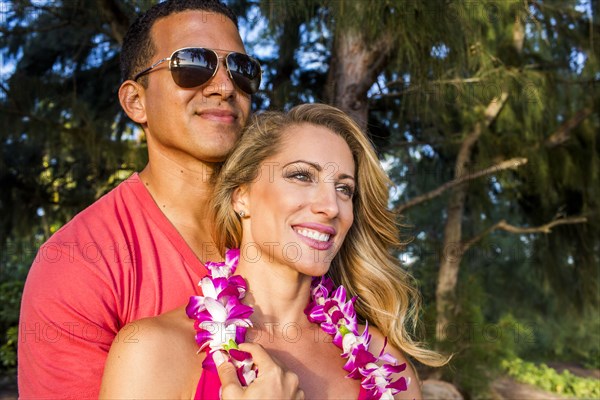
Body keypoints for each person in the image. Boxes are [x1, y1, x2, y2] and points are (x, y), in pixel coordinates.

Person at [100, 104, 448, 399]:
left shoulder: (380, 359)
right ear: (242, 195)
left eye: (344, 189)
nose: (331, 206)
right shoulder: (152, 350)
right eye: (301, 176)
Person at [18, 0, 262, 398]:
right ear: (135, 101)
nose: (224, 86)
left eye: (241, 68)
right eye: (193, 64)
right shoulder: (79, 264)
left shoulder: (292, 226)